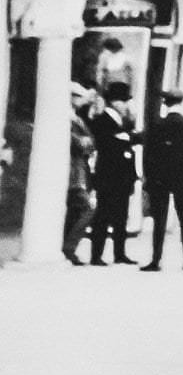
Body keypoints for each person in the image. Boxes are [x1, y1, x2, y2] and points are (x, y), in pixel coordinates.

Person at [141, 90, 183, 272]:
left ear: (165, 104)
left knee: (159, 220)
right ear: (181, 104)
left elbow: (149, 155)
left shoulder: (157, 126)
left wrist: (149, 176)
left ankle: (156, 260)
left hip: (160, 179)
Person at [87, 87, 140, 265]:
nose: (126, 105)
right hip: (109, 176)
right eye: (123, 101)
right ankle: (96, 255)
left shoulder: (121, 122)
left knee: (121, 217)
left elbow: (126, 141)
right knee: (103, 215)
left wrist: (126, 137)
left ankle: (120, 253)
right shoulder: (103, 120)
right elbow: (106, 144)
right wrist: (124, 139)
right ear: (115, 102)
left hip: (122, 177)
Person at [61, 84, 98, 267]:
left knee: (75, 210)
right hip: (73, 172)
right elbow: (82, 144)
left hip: (78, 170)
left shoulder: (76, 119)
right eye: (78, 96)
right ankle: (68, 248)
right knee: (86, 209)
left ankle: (67, 248)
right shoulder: (67, 118)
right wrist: (86, 143)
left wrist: (87, 143)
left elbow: (90, 143)